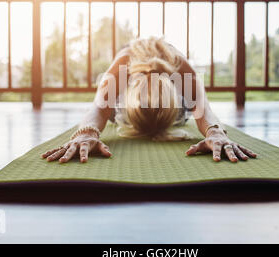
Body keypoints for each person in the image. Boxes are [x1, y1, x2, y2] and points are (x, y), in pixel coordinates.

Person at [41, 37, 256, 163]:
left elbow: (203, 109)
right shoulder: (123, 65)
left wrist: (215, 132)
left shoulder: (180, 68)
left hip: (171, 97)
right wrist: (86, 133)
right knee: (109, 94)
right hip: (127, 95)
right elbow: (98, 109)